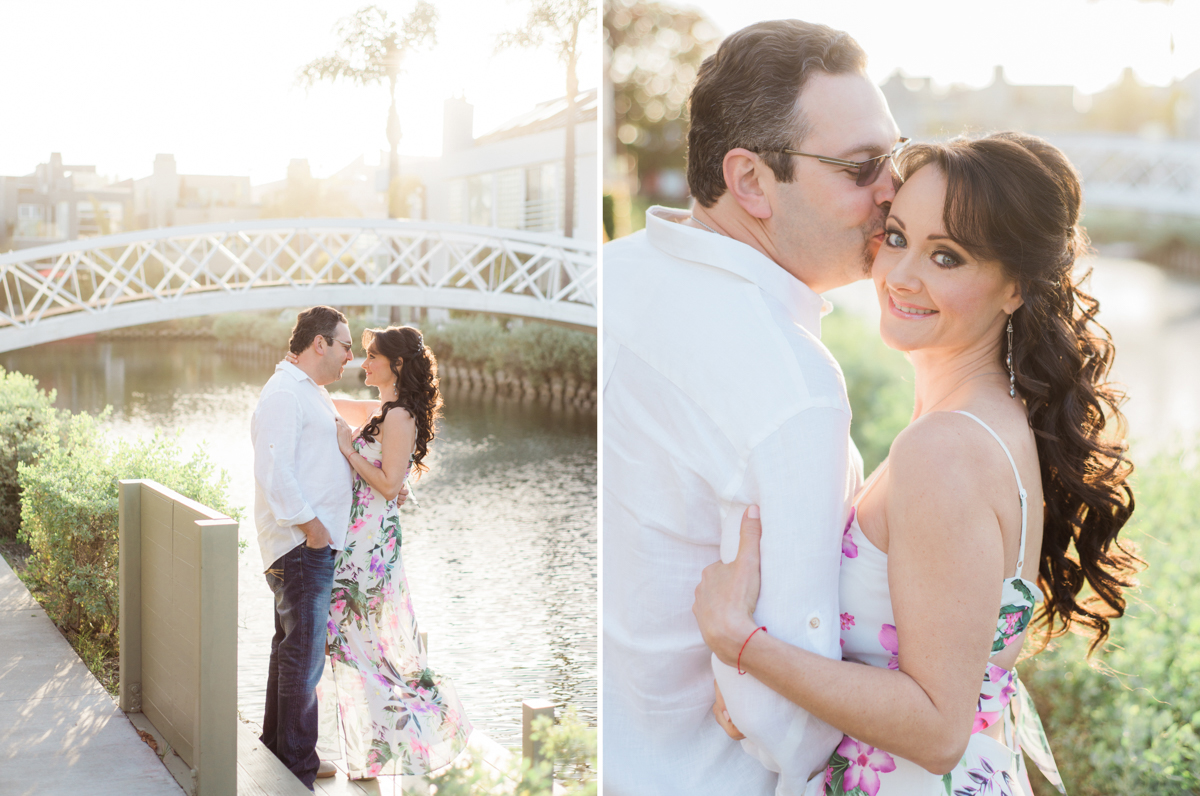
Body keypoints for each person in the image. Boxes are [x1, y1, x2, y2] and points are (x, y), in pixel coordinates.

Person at [693, 133, 1139, 795]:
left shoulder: (946, 448)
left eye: (947, 256)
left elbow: (937, 729)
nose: (901, 275)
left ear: (1014, 287)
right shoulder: (987, 419)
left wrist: (743, 644)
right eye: (898, 236)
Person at [603, 19, 903, 796]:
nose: (893, 191)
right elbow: (786, 718)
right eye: (863, 167)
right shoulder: (790, 386)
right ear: (750, 182)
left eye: (895, 160)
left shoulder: (610, 277)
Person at [297, 326, 472, 780]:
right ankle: (369, 753)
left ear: (395, 364)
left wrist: (347, 452)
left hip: (371, 544)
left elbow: (390, 485)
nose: (363, 362)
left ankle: (432, 723)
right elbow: (326, 406)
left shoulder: (399, 417)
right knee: (355, 642)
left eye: (371, 355)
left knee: (361, 641)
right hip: (358, 536)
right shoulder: (386, 410)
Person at [251, 305, 355, 790]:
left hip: (307, 546)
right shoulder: (283, 394)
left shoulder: (307, 392)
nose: (350, 357)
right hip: (300, 545)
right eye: (346, 345)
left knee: (289, 651)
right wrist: (315, 529)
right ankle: (296, 770)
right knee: (304, 657)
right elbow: (276, 471)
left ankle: (282, 750)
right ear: (319, 343)